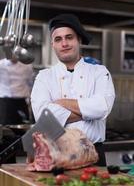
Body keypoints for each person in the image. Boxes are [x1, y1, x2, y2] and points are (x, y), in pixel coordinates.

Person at [31, 13, 115, 166]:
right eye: (58, 39)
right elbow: (43, 120)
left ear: (79, 40)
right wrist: (87, 112)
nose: (64, 43)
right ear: (53, 45)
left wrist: (62, 103)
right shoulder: (44, 76)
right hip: (57, 154)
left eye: (69, 37)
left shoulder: (99, 72)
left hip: (94, 154)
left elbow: (102, 108)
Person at [0, 55, 34, 125]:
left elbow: (30, 83)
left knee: (23, 125)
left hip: (21, 101)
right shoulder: (1, 65)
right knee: (5, 126)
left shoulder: (27, 66)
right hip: (5, 101)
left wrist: (30, 100)